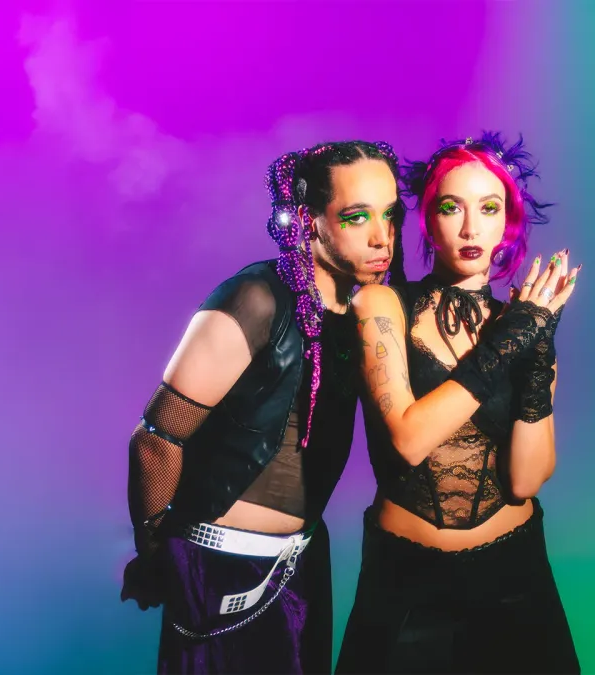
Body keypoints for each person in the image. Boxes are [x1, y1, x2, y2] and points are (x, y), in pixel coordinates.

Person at [120, 140, 407, 674]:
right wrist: (156, 551)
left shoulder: (365, 313)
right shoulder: (255, 297)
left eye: (389, 214)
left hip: (302, 564)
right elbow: (156, 440)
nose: (381, 236)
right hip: (219, 566)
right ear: (309, 221)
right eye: (357, 216)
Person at [335, 132, 582, 674]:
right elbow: (409, 440)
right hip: (405, 584)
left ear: (508, 222)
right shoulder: (382, 304)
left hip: (515, 578)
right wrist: (507, 343)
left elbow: (526, 480)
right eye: (452, 208)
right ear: (427, 220)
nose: (471, 229)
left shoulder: (522, 327)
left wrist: (537, 352)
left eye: (489, 208)